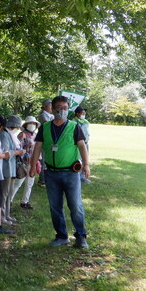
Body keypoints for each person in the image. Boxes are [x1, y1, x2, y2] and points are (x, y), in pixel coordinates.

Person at [29, 96, 91, 248]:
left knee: (75, 205)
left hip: (71, 173)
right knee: (55, 206)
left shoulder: (73, 126)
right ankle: (62, 236)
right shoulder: (45, 127)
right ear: (53, 108)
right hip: (51, 173)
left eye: (65, 107)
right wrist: (33, 165)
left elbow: (82, 146)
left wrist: (86, 165)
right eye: (59, 107)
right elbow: (37, 146)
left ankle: (81, 236)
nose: (62, 110)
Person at [10, 115, 39, 210]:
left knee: (29, 183)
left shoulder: (36, 135)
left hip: (33, 162)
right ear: (26, 125)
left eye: (33, 123)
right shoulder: (22, 135)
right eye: (30, 123)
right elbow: (17, 148)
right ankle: (9, 200)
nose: (32, 125)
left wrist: (38, 160)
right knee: (18, 183)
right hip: (23, 163)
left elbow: (38, 149)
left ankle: (25, 201)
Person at [0, 115, 24, 224]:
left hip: (11, 168)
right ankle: (1, 216)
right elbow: (5, 152)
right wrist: (18, 152)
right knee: (4, 194)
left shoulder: (9, 135)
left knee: (9, 193)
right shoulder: (4, 135)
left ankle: (7, 214)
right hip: (5, 169)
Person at [74, 106, 91, 183]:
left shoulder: (85, 122)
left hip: (86, 143)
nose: (83, 114)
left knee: (85, 159)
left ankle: (84, 176)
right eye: (82, 113)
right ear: (77, 113)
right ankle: (78, 176)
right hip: (78, 144)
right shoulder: (74, 122)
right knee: (79, 160)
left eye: (84, 113)